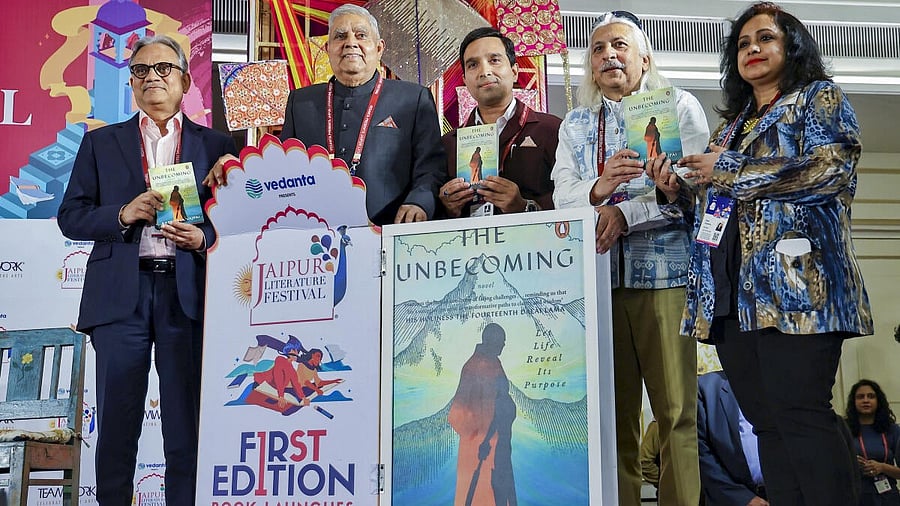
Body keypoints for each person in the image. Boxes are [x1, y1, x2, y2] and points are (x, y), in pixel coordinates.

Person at [678, 3, 873, 505]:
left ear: (792, 47)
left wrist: (732, 168)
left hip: (796, 287)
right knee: (766, 424)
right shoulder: (732, 127)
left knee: (800, 412)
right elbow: (722, 205)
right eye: (743, 44)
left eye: (765, 39)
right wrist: (678, 191)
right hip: (731, 296)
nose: (753, 50)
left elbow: (829, 171)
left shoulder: (817, 98)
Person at [57, 35, 238, 506]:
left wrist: (205, 240)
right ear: (131, 83)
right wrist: (122, 214)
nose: (151, 77)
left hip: (188, 296)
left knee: (185, 427)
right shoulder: (100, 143)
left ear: (183, 79)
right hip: (122, 296)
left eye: (162, 69)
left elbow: (239, 225)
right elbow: (70, 216)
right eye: (140, 71)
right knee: (117, 427)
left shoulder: (219, 145)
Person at [550, 11, 709, 506]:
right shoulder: (575, 123)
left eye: (619, 45)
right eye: (597, 50)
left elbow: (696, 190)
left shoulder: (678, 104)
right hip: (598, 283)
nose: (608, 56)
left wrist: (627, 213)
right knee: (610, 415)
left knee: (676, 411)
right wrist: (600, 187)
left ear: (644, 58)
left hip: (664, 277)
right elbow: (563, 196)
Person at [204, 4, 446, 226]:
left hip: (389, 229)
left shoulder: (413, 99)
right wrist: (238, 167)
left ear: (379, 48)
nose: (350, 43)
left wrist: (419, 201)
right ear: (328, 49)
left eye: (361, 35)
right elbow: (282, 169)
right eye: (340, 36)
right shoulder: (301, 102)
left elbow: (431, 165)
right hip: (315, 237)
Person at [440, 27, 560, 217]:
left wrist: (524, 205)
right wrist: (447, 207)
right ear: (464, 79)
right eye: (473, 65)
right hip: (469, 245)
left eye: (494, 60)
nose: (484, 71)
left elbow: (573, 197)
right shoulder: (448, 144)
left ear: (514, 71)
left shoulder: (552, 130)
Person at [448, 323, 517, 506]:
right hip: (480, 455)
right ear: (490, 341)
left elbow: (501, 401)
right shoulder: (472, 368)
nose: (503, 345)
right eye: (501, 342)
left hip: (500, 453)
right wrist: (481, 437)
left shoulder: (495, 364)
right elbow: (456, 415)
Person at [697, 371, 768, 506]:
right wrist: (743, 499)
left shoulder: (786, 383)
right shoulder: (706, 388)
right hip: (731, 499)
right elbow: (702, 455)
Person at [845, 379, 900, 506]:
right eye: (860, 397)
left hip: (888, 497)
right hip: (855, 497)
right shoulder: (843, 429)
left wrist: (882, 467)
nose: (865, 400)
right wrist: (851, 462)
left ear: (878, 400)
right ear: (854, 402)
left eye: (871, 396)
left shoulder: (892, 430)